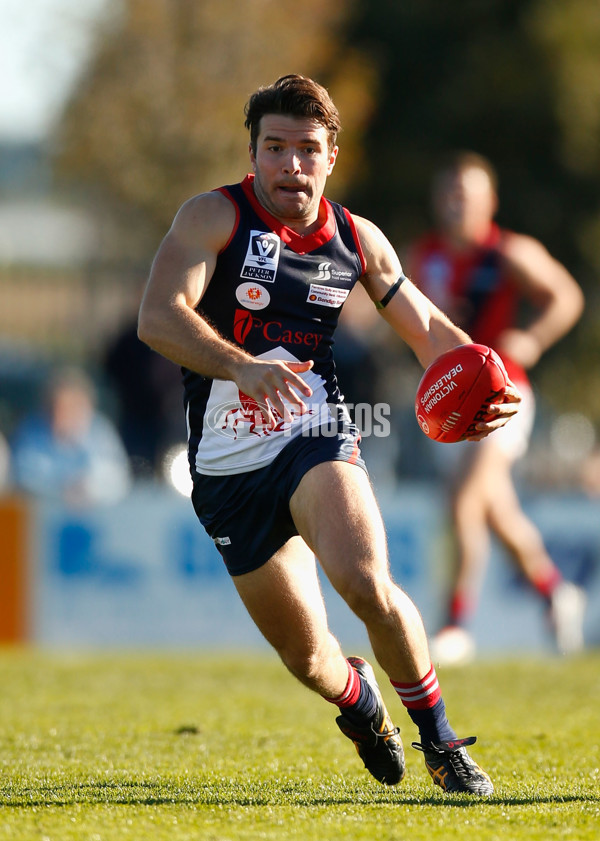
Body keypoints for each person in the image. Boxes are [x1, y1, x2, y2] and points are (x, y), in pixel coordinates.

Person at [138, 75, 521, 796]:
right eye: (274, 148)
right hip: (224, 470)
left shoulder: (355, 239)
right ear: (253, 154)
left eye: (306, 149)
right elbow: (158, 317)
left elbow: (432, 331)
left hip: (316, 433)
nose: (290, 164)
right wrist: (238, 366)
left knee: (367, 583)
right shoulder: (213, 218)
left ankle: (441, 739)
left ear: (331, 155)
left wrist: (488, 379)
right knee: (308, 655)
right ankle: (359, 701)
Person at [405, 151, 586, 664]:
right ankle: (554, 591)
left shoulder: (510, 251)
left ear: (490, 201)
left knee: (462, 498)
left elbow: (566, 297)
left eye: (467, 193)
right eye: (449, 193)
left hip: (503, 396)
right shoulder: (423, 256)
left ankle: (456, 624)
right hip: (451, 404)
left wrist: (530, 337)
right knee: (496, 512)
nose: (456, 203)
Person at [11, 366, 132, 506]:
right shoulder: (30, 431)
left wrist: (90, 487)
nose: (59, 417)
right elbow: (22, 476)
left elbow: (119, 478)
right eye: (55, 409)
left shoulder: (101, 432)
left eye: (68, 408)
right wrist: (61, 488)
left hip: (96, 516)